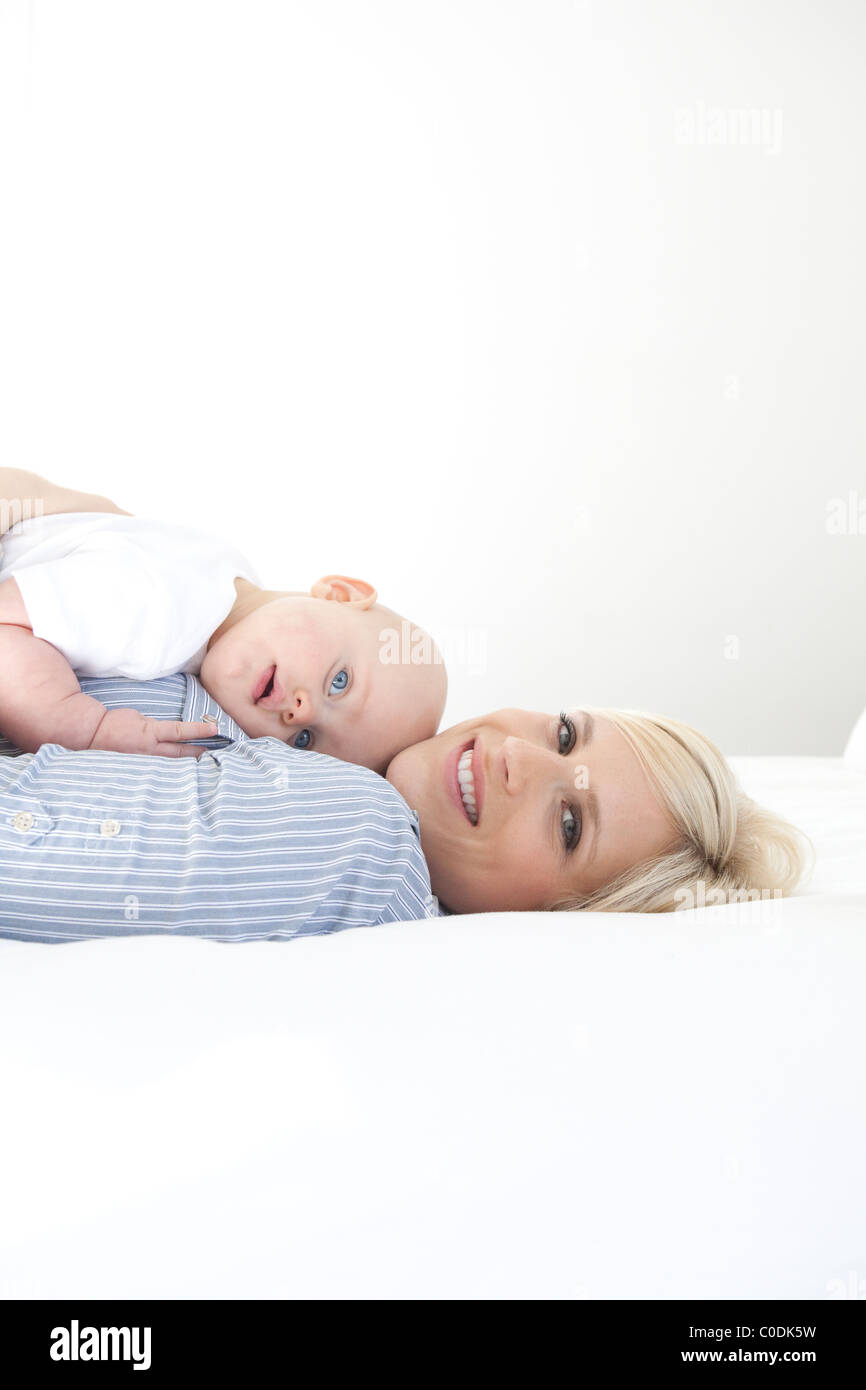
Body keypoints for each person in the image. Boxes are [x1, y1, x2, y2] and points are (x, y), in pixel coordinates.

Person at [0, 673, 810, 941]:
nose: (518, 755)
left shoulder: (362, 839)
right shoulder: (326, 724)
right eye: (566, 734)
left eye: (571, 824)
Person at [0, 468, 447, 774]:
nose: (301, 711)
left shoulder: (227, 575)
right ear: (340, 594)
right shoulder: (161, 615)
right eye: (339, 681)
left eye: (306, 740)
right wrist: (83, 728)